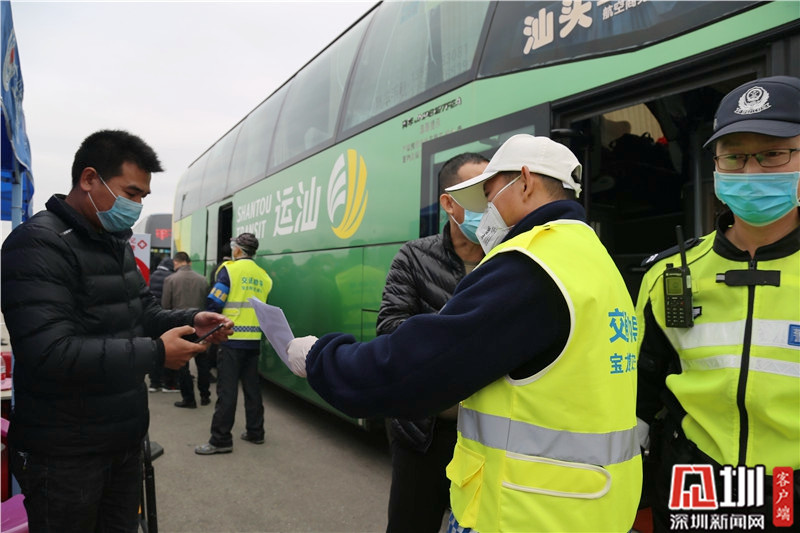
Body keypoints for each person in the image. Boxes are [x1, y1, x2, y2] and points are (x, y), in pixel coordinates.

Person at [288, 134, 642, 532]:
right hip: (594, 506)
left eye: (489, 196)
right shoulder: (595, 258)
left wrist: (321, 358)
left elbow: (413, 367)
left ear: (526, 182)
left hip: (527, 512)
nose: (487, 212)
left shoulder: (531, 264)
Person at [0, 129, 233, 532]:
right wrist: (157, 353)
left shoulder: (114, 243)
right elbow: (50, 352)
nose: (137, 206)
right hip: (65, 457)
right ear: (89, 179)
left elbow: (143, 312)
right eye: (131, 193)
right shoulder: (36, 245)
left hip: (123, 443)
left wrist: (191, 320)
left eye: (143, 196)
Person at [635, 76, 800, 531]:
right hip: (697, 490)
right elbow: (637, 393)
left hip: (788, 490)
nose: (751, 173)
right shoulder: (668, 274)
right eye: (734, 157)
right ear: (716, 166)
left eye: (773, 154)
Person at [379, 153, 487, 533]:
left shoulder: (509, 258)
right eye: (476, 193)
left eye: (492, 191)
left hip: (489, 437)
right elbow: (390, 328)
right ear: (449, 203)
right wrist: (464, 334)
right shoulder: (414, 256)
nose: (488, 204)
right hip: (423, 432)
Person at [196, 232, 273, 455]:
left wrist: (209, 327)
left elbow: (214, 302)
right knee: (252, 388)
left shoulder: (229, 270)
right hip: (253, 340)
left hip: (230, 339)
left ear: (238, 250)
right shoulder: (264, 276)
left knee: (227, 391)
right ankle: (256, 432)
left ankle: (221, 440)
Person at [162, 251, 213, 408]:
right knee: (202, 362)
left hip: (179, 327)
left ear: (176, 262)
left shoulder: (170, 280)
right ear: (189, 262)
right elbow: (207, 303)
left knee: (182, 364)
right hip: (200, 326)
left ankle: (189, 399)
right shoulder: (202, 280)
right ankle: (205, 396)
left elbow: (165, 306)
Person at [147, 256, 179, 392]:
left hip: (152, 317)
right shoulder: (170, 277)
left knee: (154, 348)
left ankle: (154, 383)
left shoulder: (153, 275)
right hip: (164, 318)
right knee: (164, 350)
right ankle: (167, 383)